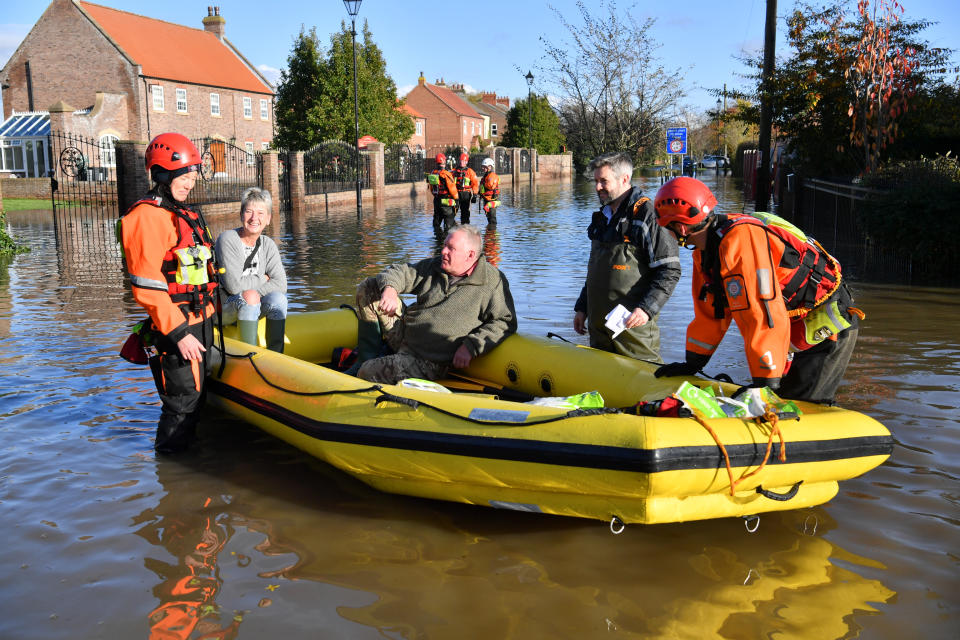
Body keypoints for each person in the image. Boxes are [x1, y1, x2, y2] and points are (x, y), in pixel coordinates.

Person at [652, 176, 863, 404]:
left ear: (681, 227)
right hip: (791, 328)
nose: (666, 235)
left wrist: (764, 384)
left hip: (823, 324)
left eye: (666, 228)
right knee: (780, 398)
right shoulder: (706, 252)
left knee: (804, 405)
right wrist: (692, 363)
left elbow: (763, 313)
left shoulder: (740, 242)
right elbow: (711, 314)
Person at [120, 133, 217, 453]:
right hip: (177, 329)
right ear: (163, 173)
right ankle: (174, 474)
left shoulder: (183, 213)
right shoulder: (145, 217)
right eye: (185, 175)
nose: (190, 181)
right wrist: (178, 333)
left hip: (200, 319)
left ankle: (191, 478)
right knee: (181, 403)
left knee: (197, 398)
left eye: (192, 175)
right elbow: (146, 287)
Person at [347, 224, 517, 384]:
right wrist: (390, 289)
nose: (443, 251)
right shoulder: (436, 266)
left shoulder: (492, 281)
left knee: (367, 372)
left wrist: (471, 346)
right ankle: (366, 356)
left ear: (470, 255)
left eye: (451, 248)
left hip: (429, 361)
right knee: (369, 287)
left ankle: (367, 367)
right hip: (405, 335)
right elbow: (402, 272)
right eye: (444, 245)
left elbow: (504, 321)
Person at [573, 152, 681, 362]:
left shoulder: (647, 215)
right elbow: (596, 270)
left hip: (634, 334)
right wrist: (581, 307)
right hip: (599, 333)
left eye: (603, 181)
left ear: (624, 179)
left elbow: (670, 270)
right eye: (595, 181)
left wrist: (646, 310)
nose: (597, 187)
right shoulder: (602, 216)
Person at [214, 187, 288, 352]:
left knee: (279, 300)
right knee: (251, 295)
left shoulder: (267, 244)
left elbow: (281, 284)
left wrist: (253, 290)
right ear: (241, 215)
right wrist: (263, 278)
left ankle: (277, 356)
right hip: (224, 308)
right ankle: (249, 356)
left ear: (268, 218)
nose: (255, 218)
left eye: (261, 213)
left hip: (253, 304)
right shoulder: (227, 239)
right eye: (249, 211)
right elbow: (233, 287)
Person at [426, 152, 459, 235]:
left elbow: (431, 188)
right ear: (444, 162)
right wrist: (457, 199)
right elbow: (452, 188)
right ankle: (448, 242)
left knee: (437, 222)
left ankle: (438, 241)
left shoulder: (432, 173)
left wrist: (436, 196)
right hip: (446, 201)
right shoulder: (446, 174)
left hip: (437, 200)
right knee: (449, 224)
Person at [452, 151, 479, 224]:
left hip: (466, 194)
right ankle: (452, 228)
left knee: (465, 213)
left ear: (466, 162)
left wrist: (475, 195)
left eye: (464, 161)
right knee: (452, 212)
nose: (462, 162)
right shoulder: (454, 171)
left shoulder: (470, 172)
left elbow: (475, 184)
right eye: (461, 160)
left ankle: (465, 227)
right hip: (456, 194)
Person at [478, 157, 501, 226]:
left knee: (492, 218)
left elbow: (491, 186)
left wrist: (484, 184)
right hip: (486, 199)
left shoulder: (493, 176)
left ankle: (493, 233)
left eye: (485, 167)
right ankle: (489, 233)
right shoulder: (485, 176)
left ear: (490, 167)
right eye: (483, 167)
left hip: (491, 200)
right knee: (489, 218)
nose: (483, 168)